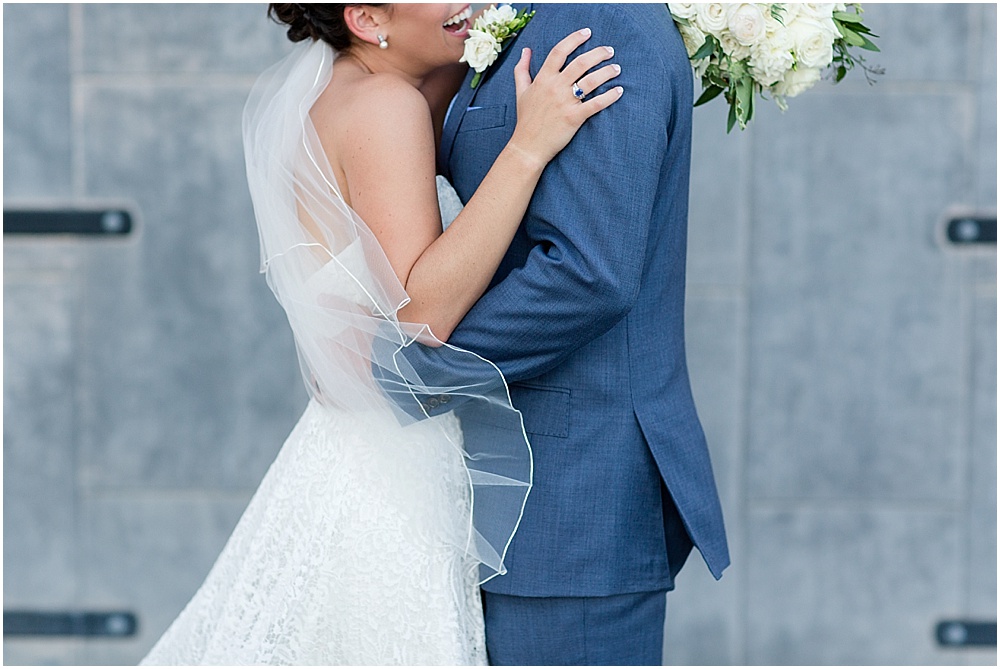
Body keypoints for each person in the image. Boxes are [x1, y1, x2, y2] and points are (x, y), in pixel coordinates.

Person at [141, 3, 621, 665]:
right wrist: (531, 144)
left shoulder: (344, 92)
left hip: (354, 442)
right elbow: (421, 315)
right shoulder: (384, 105)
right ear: (368, 20)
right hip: (393, 468)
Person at [399, 2, 731, 665]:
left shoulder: (602, 20)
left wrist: (413, 371)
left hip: (571, 498)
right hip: (510, 488)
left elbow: (588, 273)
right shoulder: (527, 13)